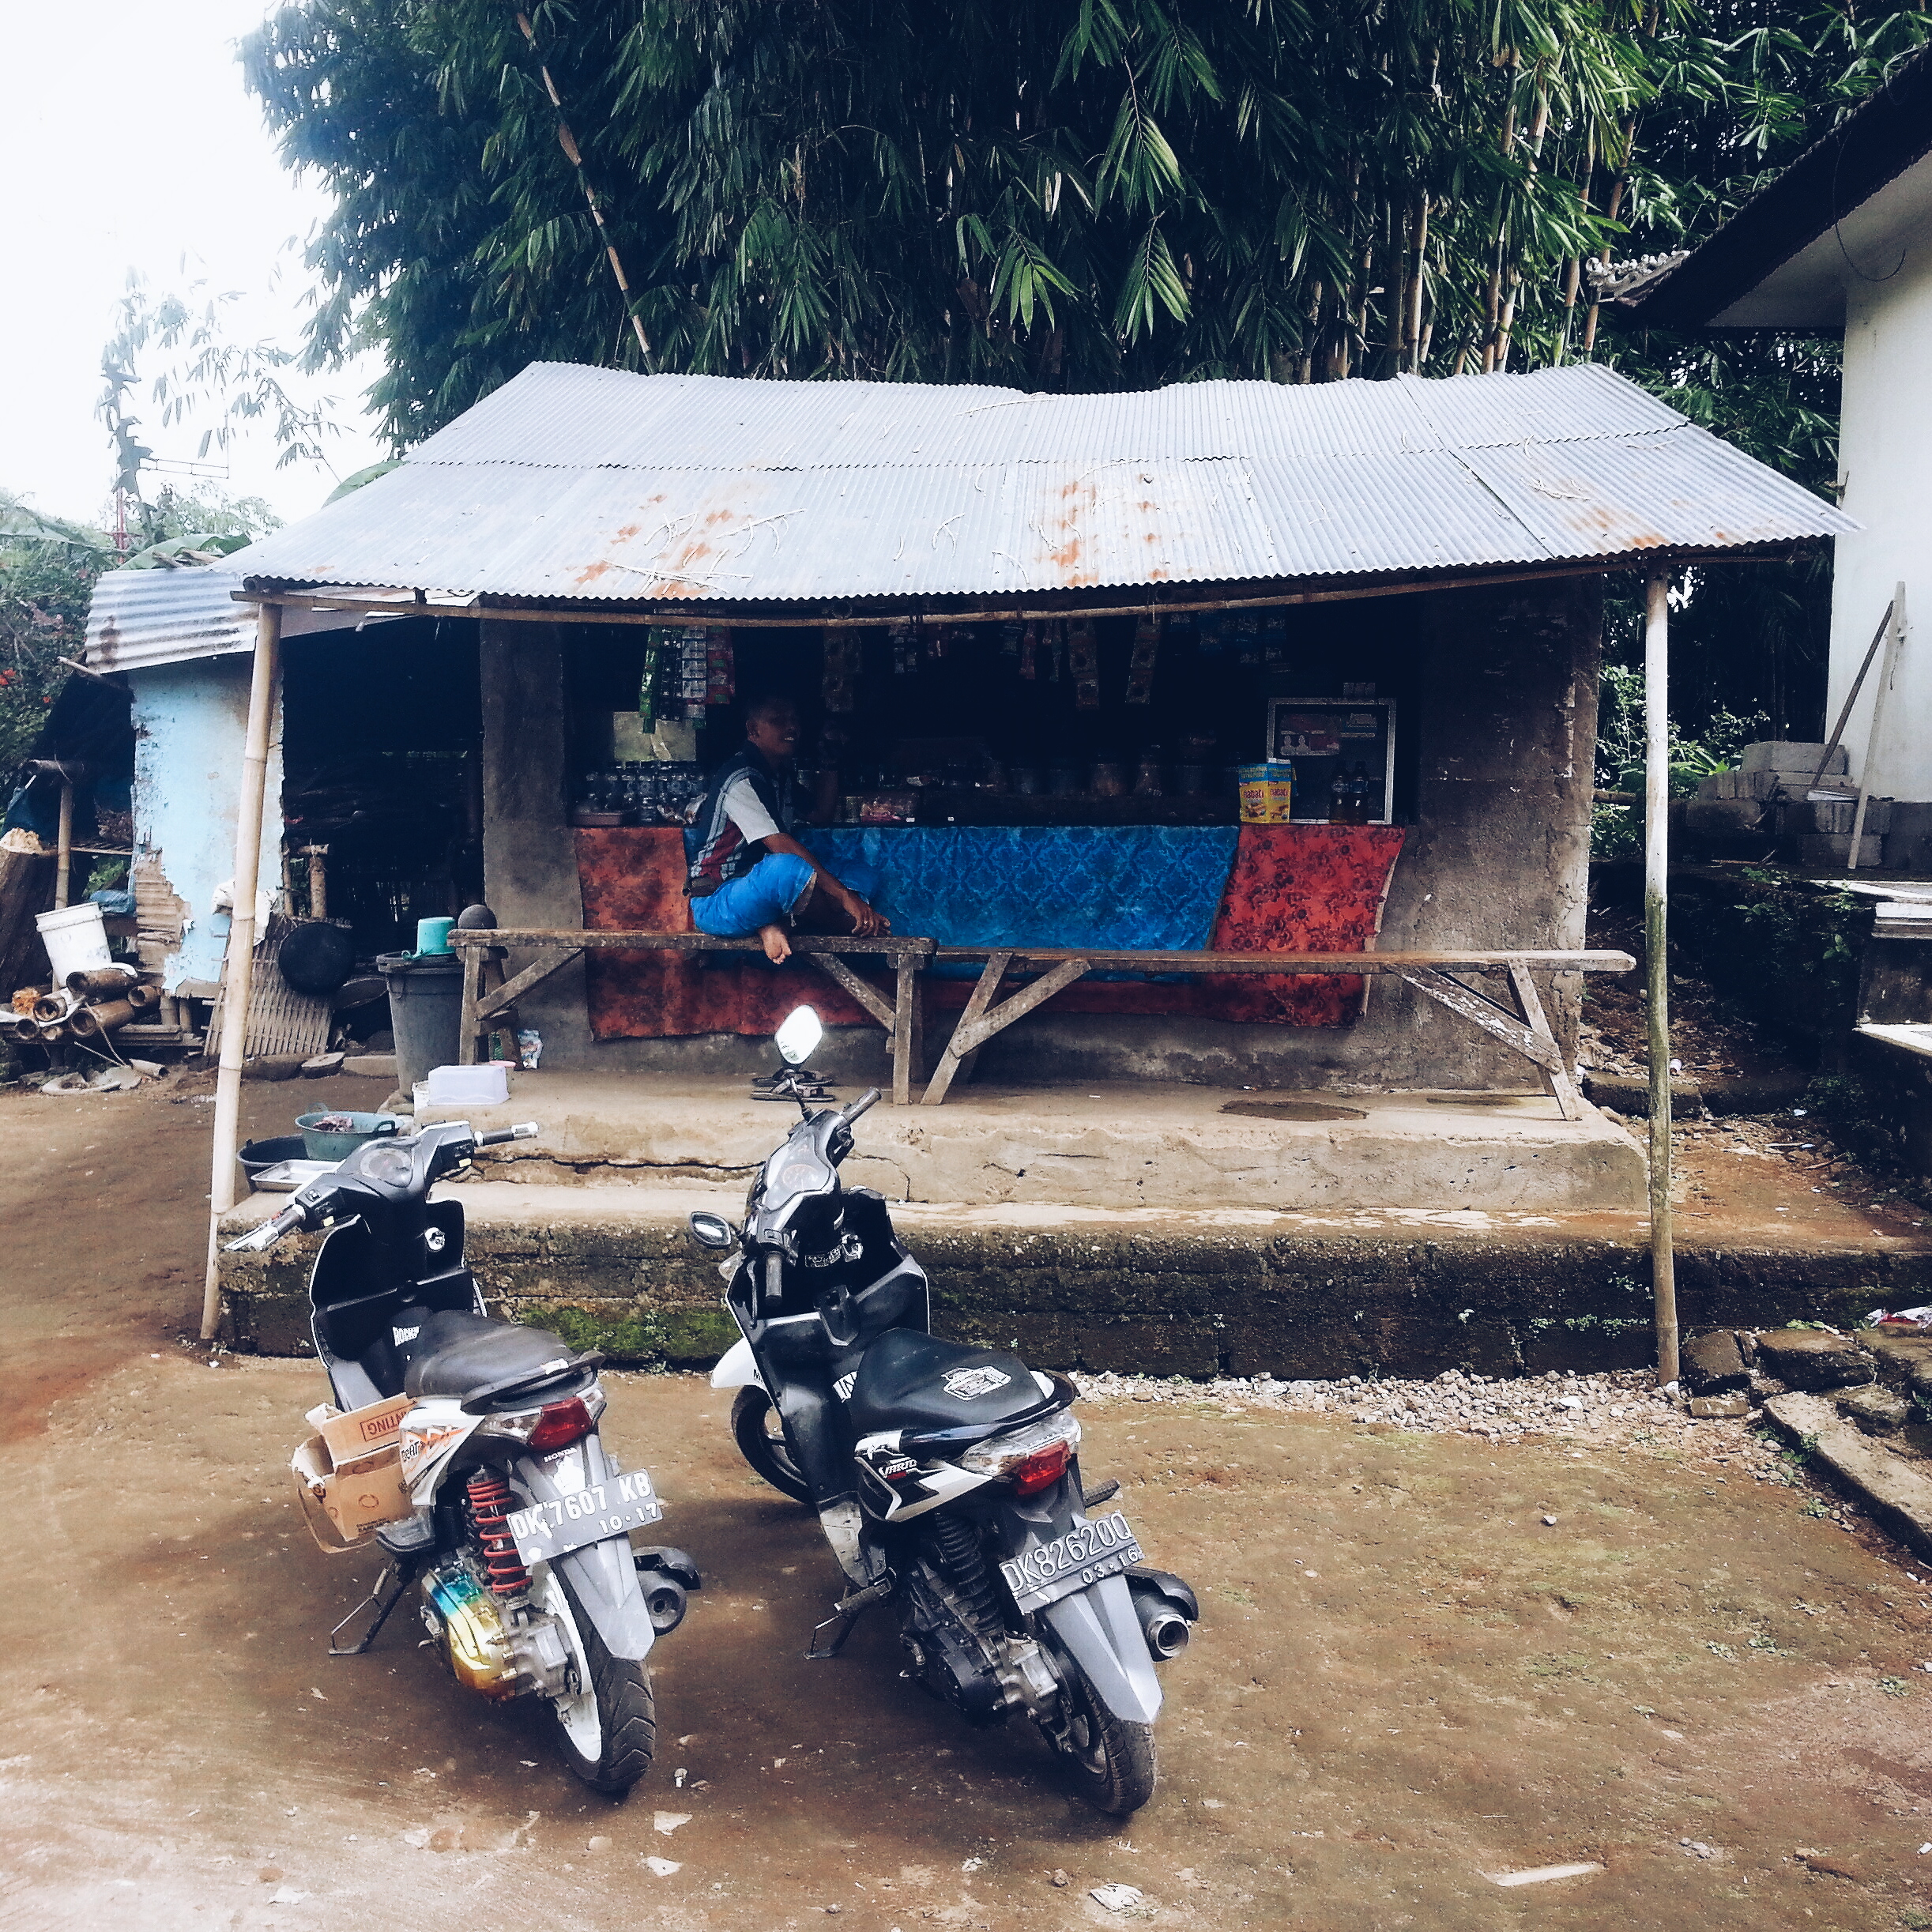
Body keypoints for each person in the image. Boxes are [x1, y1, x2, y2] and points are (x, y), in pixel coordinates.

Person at [685, 695, 888, 963]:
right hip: (718, 900)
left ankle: (779, 924)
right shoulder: (740, 778)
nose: (791, 727)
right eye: (778, 721)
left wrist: (830, 763)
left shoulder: (779, 776)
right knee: (786, 869)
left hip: (761, 892)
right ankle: (840, 925)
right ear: (753, 730)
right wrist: (843, 895)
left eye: (794, 720)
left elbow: (820, 814)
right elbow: (779, 845)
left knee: (861, 872)